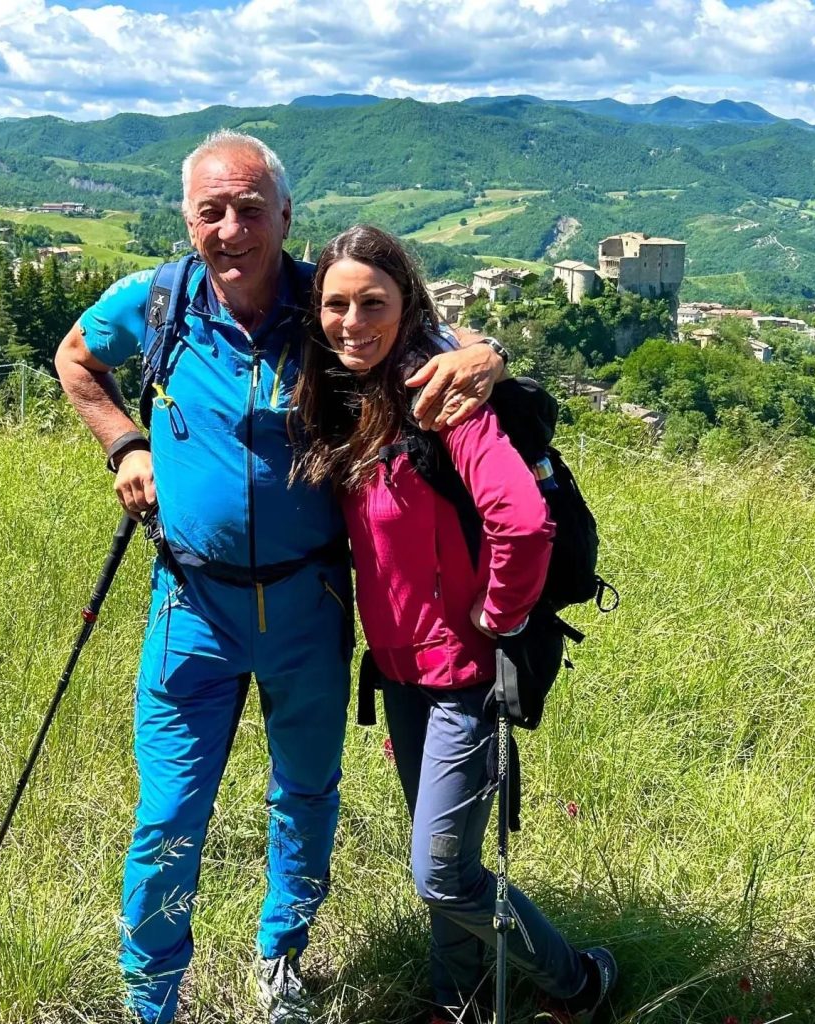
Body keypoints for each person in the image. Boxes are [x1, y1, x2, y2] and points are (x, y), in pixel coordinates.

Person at [54, 132, 507, 1024]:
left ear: (286, 217)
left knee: (304, 796)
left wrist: (486, 357)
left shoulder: (330, 308)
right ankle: (153, 1000)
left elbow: (449, 344)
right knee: (169, 818)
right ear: (187, 219)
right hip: (192, 603)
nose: (230, 229)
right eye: (211, 211)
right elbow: (76, 358)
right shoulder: (156, 302)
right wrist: (124, 442)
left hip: (310, 602)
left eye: (251, 209)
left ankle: (281, 960)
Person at [291, 224, 617, 1024]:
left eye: (374, 302)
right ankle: (457, 1001)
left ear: (406, 305)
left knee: (440, 874)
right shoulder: (345, 397)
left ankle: (580, 981)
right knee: (452, 860)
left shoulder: (444, 400)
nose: (352, 321)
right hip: (399, 672)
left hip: (464, 678)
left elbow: (523, 519)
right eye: (336, 305)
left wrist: (496, 617)